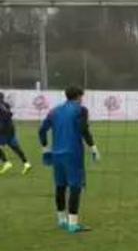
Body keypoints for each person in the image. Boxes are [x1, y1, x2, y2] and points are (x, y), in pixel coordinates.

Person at [38, 86, 101, 233]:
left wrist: (45, 149)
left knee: (60, 186)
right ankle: (73, 224)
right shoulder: (81, 110)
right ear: (79, 96)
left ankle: (61, 220)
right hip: (72, 153)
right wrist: (93, 148)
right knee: (75, 186)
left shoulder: (54, 111)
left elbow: (41, 130)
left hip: (57, 154)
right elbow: (84, 130)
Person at [0, 92, 32, 175]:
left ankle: (6, 163)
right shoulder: (6, 105)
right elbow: (9, 114)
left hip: (3, 130)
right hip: (11, 129)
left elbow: (7, 114)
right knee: (15, 147)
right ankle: (26, 163)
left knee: (14, 147)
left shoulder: (2, 106)